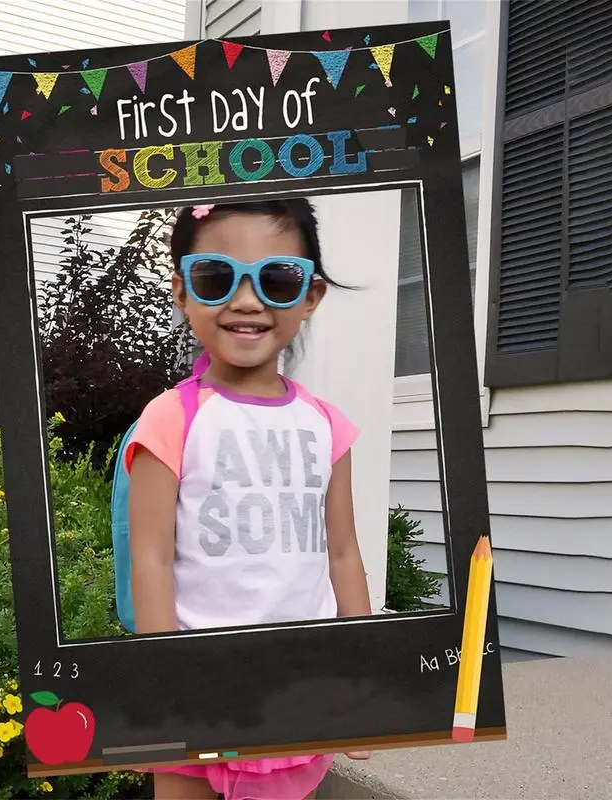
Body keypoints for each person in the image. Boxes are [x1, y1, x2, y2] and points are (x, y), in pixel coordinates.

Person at [125, 199, 372, 800]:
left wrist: (365, 682)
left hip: (297, 688)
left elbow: (342, 554)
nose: (246, 301)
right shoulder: (169, 419)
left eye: (277, 280)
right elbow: (150, 560)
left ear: (311, 297)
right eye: (215, 277)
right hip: (195, 687)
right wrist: (163, 684)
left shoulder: (327, 427)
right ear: (183, 291)